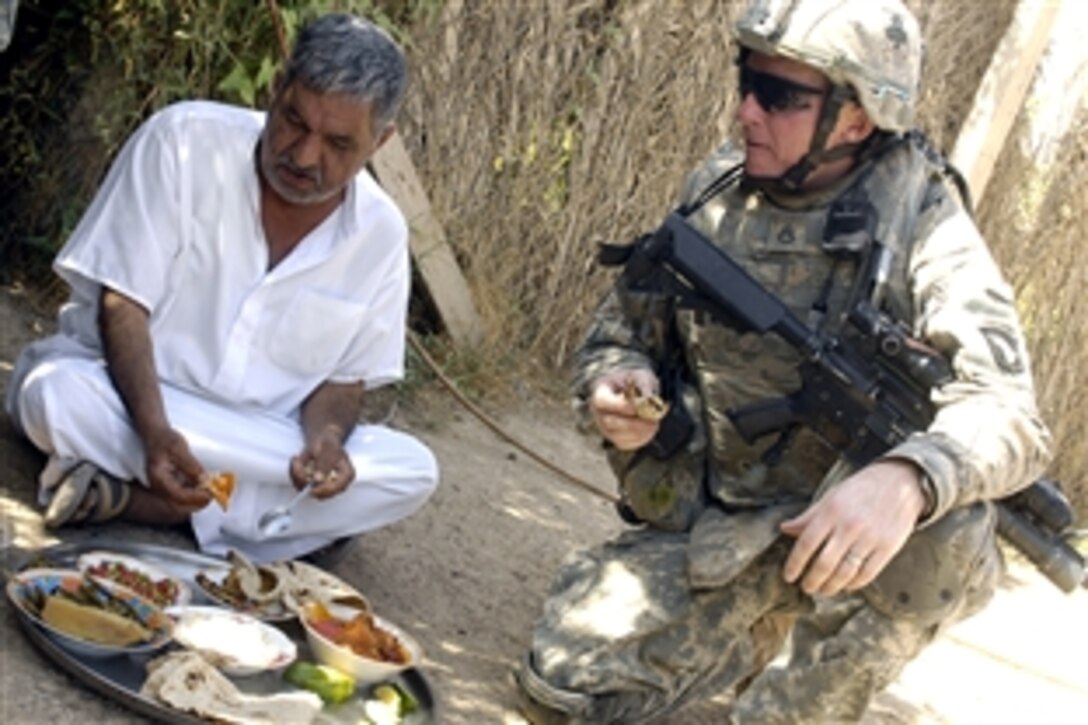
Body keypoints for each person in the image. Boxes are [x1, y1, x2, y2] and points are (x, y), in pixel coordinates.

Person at [516, 0, 1052, 721]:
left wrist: (906, 478)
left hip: (854, 534)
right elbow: (619, 330)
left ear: (856, 118)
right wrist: (618, 381)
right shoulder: (718, 191)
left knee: (949, 533)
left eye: (780, 96)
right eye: (748, 81)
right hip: (729, 522)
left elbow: (1010, 412)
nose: (747, 111)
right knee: (565, 685)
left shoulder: (925, 222)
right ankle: (757, 627)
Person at [4, 13, 438, 564]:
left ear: (381, 141)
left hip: (263, 438)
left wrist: (325, 444)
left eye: (336, 143)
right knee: (55, 393)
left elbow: (342, 382)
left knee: (410, 470)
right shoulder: (182, 142)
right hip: (129, 398)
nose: (305, 156)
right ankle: (255, 521)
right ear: (276, 87)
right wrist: (155, 433)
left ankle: (149, 502)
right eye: (293, 122)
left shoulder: (381, 234)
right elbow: (123, 307)